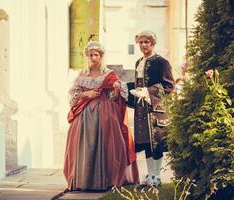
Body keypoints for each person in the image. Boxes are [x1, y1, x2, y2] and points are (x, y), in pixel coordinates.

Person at [64, 41, 139, 191]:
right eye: (90, 55)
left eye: (96, 55)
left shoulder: (109, 74)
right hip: (84, 115)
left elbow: (115, 97)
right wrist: (87, 94)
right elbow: (74, 93)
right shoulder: (82, 74)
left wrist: (117, 89)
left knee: (107, 144)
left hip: (105, 113)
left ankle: (106, 180)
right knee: (85, 146)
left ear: (101, 56)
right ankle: (83, 181)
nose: (93, 57)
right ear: (87, 56)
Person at [128, 30, 174, 187]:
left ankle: (157, 176)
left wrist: (148, 91)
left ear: (153, 43)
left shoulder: (161, 62)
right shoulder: (138, 62)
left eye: (146, 42)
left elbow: (169, 86)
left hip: (156, 109)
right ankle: (150, 176)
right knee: (146, 142)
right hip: (141, 109)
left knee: (157, 142)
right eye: (140, 42)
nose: (143, 45)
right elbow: (137, 85)